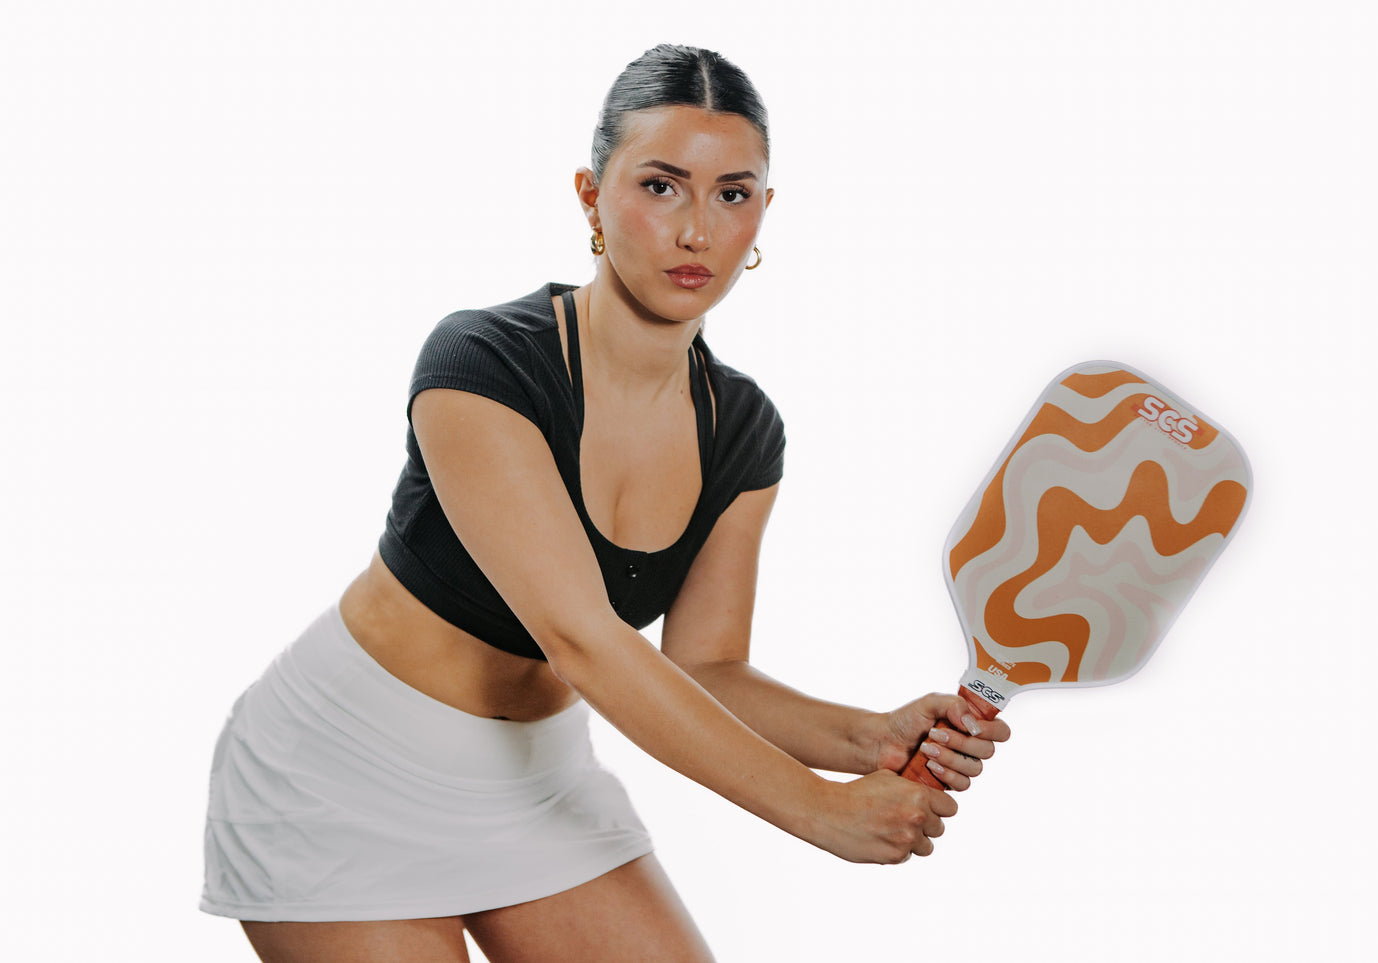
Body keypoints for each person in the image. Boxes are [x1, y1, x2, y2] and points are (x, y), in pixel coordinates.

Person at [200, 43, 1009, 963]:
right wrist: (818, 809)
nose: (696, 230)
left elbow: (706, 665)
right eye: (660, 186)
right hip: (343, 771)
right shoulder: (481, 365)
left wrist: (864, 736)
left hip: (535, 779)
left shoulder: (742, 427)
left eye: (732, 193)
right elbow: (583, 639)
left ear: (765, 211)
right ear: (590, 195)